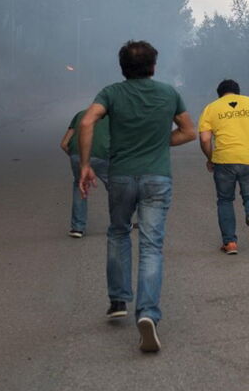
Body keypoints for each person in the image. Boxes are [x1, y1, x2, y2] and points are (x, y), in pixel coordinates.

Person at [78, 40, 195, 353]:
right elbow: (188, 131)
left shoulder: (111, 93)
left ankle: (118, 300)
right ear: (153, 66)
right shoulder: (169, 93)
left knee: (118, 233)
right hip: (157, 177)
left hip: (121, 176)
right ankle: (147, 314)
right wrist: (157, 141)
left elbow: (87, 121)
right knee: (151, 245)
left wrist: (86, 165)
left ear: (122, 68)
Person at [198, 79, 249, 255]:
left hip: (224, 161)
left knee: (225, 200)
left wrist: (210, 158)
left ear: (220, 94)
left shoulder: (211, 108)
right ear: (237, 92)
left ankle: (230, 243)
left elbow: (205, 139)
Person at [60, 109, 110, 238]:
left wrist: (80, 160)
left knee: (80, 186)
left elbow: (64, 144)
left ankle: (77, 228)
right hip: (102, 155)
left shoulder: (80, 114)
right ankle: (121, 223)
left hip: (77, 155)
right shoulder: (114, 117)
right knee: (116, 187)